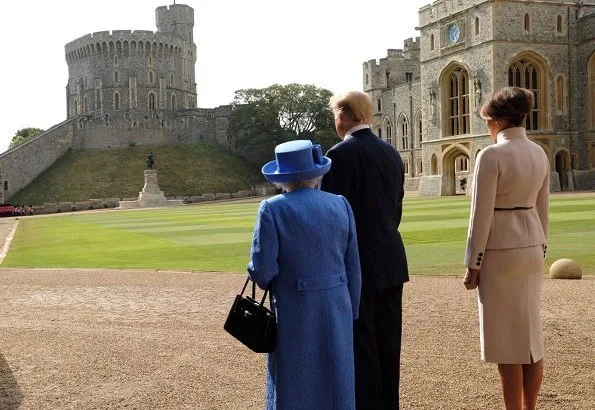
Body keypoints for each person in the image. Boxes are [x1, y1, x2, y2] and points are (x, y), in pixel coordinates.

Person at [248, 139, 362, 410]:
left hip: (294, 309)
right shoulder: (340, 204)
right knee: (338, 382)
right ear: (317, 173)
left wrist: (256, 272)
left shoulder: (272, 208)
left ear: (282, 177)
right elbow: (353, 265)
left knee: (295, 382)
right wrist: (351, 309)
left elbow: (263, 271)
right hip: (337, 306)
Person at [321, 91, 409, 410]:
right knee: (389, 345)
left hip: (356, 264)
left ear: (342, 117)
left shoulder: (339, 155)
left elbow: (332, 220)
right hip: (391, 259)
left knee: (362, 348)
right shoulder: (391, 153)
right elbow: (396, 210)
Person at [464, 86, 550, 410]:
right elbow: (543, 209)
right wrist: (541, 247)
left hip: (500, 251)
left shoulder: (491, 155)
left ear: (497, 120)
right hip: (531, 245)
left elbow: (480, 215)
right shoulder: (539, 152)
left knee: (506, 345)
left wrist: (473, 263)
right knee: (530, 338)